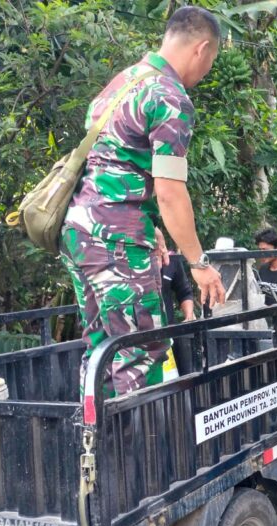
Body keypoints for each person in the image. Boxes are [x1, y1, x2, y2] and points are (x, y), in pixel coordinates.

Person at [60, 7, 225, 397]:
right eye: (211, 62)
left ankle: (94, 450)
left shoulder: (120, 83)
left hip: (79, 234)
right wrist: (199, 264)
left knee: (102, 349)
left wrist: (151, 228)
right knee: (141, 353)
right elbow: (169, 192)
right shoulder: (170, 98)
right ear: (202, 49)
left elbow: (114, 163)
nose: (206, 72)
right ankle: (135, 458)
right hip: (117, 240)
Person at [160, 251, 195, 324]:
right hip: (133, 329)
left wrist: (189, 317)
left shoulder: (171, 258)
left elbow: (184, 292)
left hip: (166, 329)